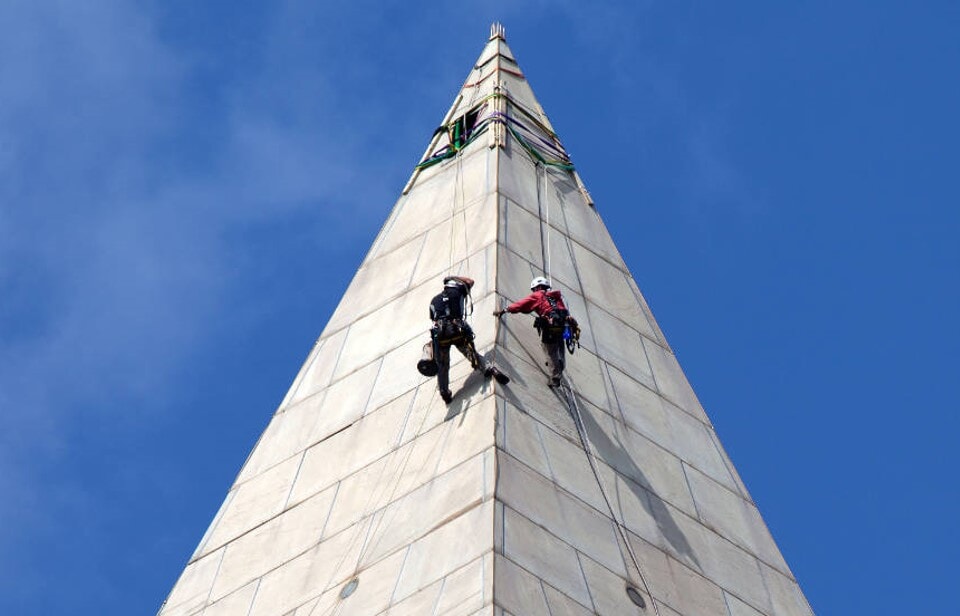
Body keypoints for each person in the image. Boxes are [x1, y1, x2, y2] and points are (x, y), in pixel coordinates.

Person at [429, 275, 508, 403]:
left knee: (442, 364)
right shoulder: (458, 292)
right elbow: (470, 281)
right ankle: (489, 368)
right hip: (458, 331)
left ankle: (444, 391)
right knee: (470, 352)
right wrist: (453, 276)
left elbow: (433, 319)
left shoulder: (434, 300)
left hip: (441, 336)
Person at [493, 276, 578, 387]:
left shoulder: (537, 295)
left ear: (537, 287)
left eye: (534, 289)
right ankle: (560, 363)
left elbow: (520, 305)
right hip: (563, 328)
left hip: (551, 328)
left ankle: (555, 377)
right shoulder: (557, 297)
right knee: (559, 343)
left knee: (549, 349)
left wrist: (505, 310)